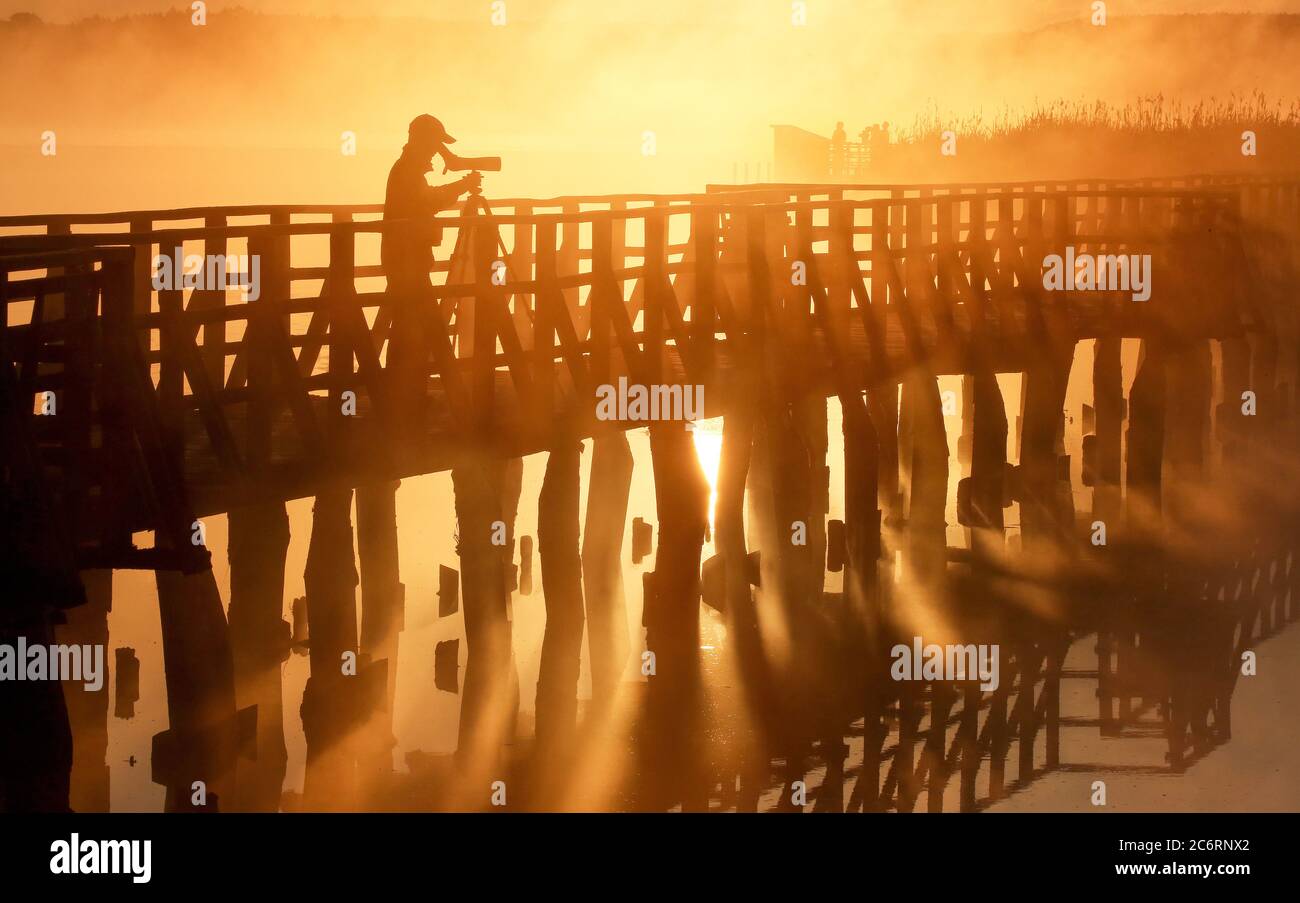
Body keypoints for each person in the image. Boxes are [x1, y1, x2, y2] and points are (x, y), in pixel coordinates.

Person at [382, 114, 481, 422]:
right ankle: (413, 400)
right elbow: (428, 201)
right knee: (423, 328)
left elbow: (426, 199)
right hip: (407, 262)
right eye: (436, 143)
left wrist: (460, 186)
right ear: (423, 141)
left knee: (408, 330)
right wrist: (463, 186)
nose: (438, 151)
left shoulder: (407, 169)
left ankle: (404, 398)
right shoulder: (408, 171)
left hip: (407, 260)